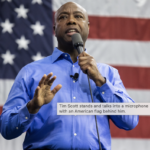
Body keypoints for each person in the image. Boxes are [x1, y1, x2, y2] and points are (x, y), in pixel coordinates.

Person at [0, 2, 139, 150]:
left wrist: (100, 80)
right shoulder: (30, 72)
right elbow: (6, 129)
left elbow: (130, 121)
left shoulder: (108, 73)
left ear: (88, 27)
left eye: (78, 17)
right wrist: (32, 107)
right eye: (63, 17)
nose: (71, 20)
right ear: (54, 29)